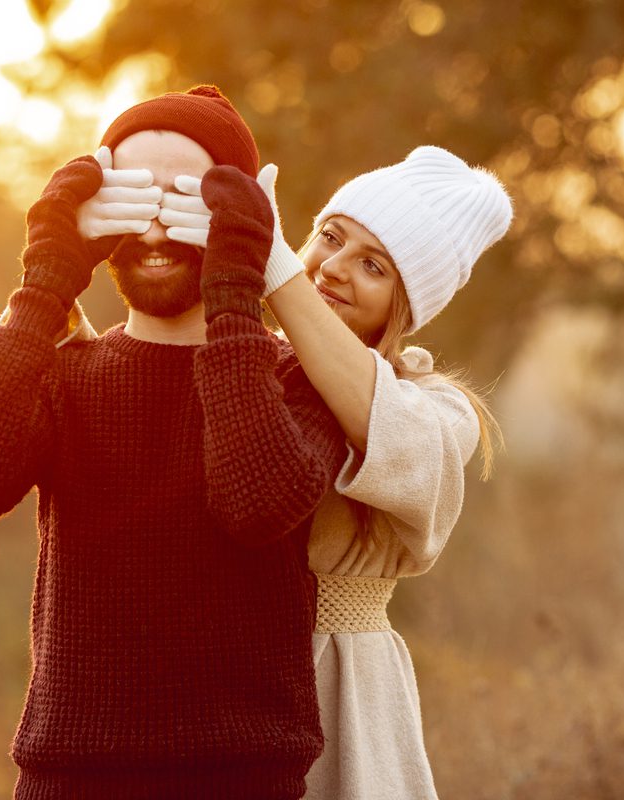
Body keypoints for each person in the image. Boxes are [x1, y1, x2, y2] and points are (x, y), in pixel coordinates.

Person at [0, 85, 347, 800]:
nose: (152, 231)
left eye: (184, 202)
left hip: (245, 781)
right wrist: (45, 281)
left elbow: (258, 506)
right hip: (68, 780)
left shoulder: (298, 381)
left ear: (236, 217)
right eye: (132, 197)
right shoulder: (64, 373)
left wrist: (239, 290)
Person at [101, 144, 510, 798]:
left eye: (373, 265)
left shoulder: (436, 410)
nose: (335, 268)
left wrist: (274, 267)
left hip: (338, 689)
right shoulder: (246, 365)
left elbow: (375, 415)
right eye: (330, 238)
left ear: (404, 308)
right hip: (205, 689)